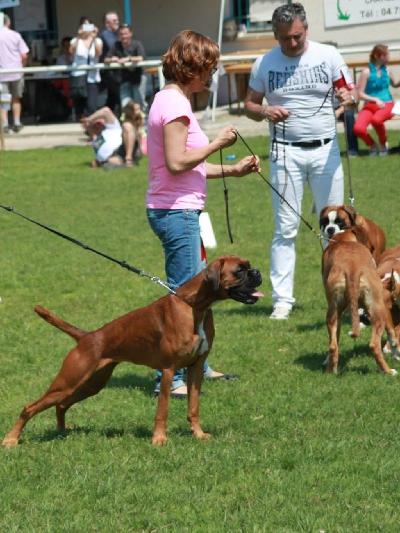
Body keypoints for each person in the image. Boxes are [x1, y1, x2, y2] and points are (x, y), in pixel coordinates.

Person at [147, 30, 260, 397]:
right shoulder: (175, 105)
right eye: (209, 67)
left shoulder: (174, 101)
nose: (213, 74)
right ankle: (173, 378)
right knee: (186, 301)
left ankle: (200, 365)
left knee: (200, 296)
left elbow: (186, 166)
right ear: (191, 67)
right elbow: (178, 162)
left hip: (181, 210)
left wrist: (232, 170)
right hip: (175, 213)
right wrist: (216, 144)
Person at [244, 2, 354, 320]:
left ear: (306, 29)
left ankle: (344, 297)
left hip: (326, 150)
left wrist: (349, 98)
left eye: (296, 37)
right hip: (285, 152)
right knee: (285, 228)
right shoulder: (263, 63)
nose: (291, 44)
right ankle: (282, 300)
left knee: (336, 228)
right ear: (275, 35)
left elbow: (348, 92)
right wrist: (265, 110)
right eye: (284, 39)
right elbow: (249, 104)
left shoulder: (328, 55)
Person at [0, 14, 29, 133]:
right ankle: (16, 122)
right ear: (8, 23)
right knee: (16, 98)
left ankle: (4, 125)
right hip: (16, 72)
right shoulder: (16, 35)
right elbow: (24, 55)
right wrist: (23, 66)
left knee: (4, 99)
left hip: (0, 73)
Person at [354, 44, 400, 156]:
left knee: (376, 120)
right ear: (380, 56)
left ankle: (383, 144)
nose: (389, 57)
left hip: (387, 104)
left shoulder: (388, 70)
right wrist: (374, 99)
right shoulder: (366, 72)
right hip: (370, 104)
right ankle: (372, 145)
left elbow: (394, 84)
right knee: (358, 129)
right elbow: (360, 93)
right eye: (387, 54)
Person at [82, 101, 142, 170]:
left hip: (124, 148)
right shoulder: (95, 140)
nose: (98, 125)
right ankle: (106, 163)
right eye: (95, 125)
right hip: (114, 157)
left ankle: (129, 159)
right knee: (110, 161)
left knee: (127, 125)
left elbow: (106, 111)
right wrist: (88, 126)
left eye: (99, 123)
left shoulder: (113, 127)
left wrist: (89, 119)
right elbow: (91, 131)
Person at [104, 24, 147, 110]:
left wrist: (128, 59)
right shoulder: (116, 45)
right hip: (124, 79)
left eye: (126, 34)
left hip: (137, 78)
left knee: (139, 102)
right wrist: (113, 59)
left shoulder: (136, 44)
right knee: (125, 103)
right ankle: (127, 121)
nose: (124, 36)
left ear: (130, 33)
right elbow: (106, 59)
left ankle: (142, 121)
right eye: (121, 34)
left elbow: (142, 57)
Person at [69, 17, 103, 118]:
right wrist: (79, 36)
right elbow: (71, 51)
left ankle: (90, 124)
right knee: (79, 103)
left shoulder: (98, 40)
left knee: (91, 105)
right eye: (85, 26)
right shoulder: (75, 40)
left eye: (89, 26)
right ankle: (81, 121)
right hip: (79, 76)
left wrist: (95, 37)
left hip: (92, 76)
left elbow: (98, 53)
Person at [99, 11, 122, 114]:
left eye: (117, 19)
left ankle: (104, 119)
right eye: (114, 20)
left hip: (114, 72)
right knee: (117, 97)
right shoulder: (106, 34)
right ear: (107, 24)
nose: (117, 22)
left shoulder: (115, 34)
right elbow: (114, 47)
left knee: (112, 100)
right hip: (110, 73)